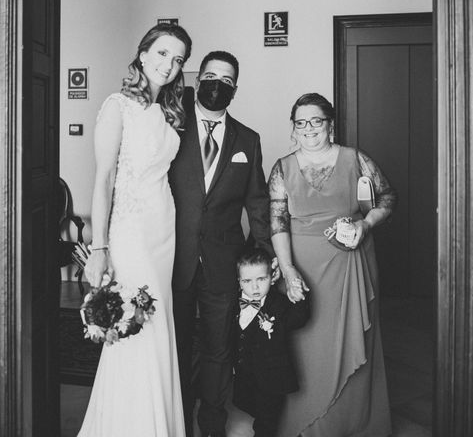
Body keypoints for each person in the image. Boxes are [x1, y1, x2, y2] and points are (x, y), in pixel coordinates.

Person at [78, 23, 193, 436]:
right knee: (138, 324)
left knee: (159, 323)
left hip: (164, 230)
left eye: (178, 59)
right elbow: (103, 178)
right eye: (163, 53)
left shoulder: (167, 111)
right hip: (130, 232)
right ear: (142, 54)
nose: (169, 65)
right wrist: (100, 248)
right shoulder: (117, 105)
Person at [269, 93, 397, 437]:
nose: (308, 128)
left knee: (356, 339)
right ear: (293, 129)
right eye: (301, 122)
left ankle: (353, 422)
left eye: (316, 120)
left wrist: (364, 225)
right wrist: (288, 269)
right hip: (302, 267)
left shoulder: (356, 160)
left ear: (330, 124)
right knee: (304, 344)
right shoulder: (282, 167)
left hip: (350, 263)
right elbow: (277, 222)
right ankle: (307, 424)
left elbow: (387, 197)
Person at [169, 50, 274, 437]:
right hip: (172, 257)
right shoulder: (171, 127)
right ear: (199, 79)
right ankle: (177, 420)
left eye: (226, 81)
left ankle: (211, 424)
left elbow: (258, 203)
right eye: (211, 76)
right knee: (175, 347)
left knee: (218, 348)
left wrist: (261, 254)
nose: (217, 84)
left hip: (224, 261)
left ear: (234, 90)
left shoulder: (248, 139)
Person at [232, 248, 310, 437]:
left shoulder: (279, 304)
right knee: (253, 408)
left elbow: (299, 319)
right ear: (239, 281)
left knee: (267, 422)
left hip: (272, 378)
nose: (255, 287)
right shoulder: (233, 304)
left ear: (272, 277)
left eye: (261, 279)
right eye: (247, 281)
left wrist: (298, 295)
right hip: (247, 375)